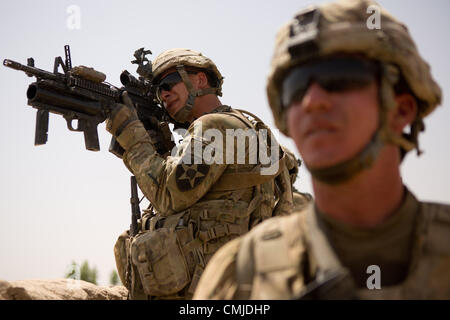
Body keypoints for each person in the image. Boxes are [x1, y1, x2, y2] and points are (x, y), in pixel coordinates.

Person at [193, 0, 450, 299]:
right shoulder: (241, 274)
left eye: (339, 77)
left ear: (401, 109)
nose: (312, 101)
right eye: (296, 87)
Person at [106, 48, 306, 299]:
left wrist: (132, 135)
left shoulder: (212, 126)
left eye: (169, 83)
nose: (164, 94)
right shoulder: (248, 126)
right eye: (159, 90)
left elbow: (169, 196)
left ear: (200, 80)